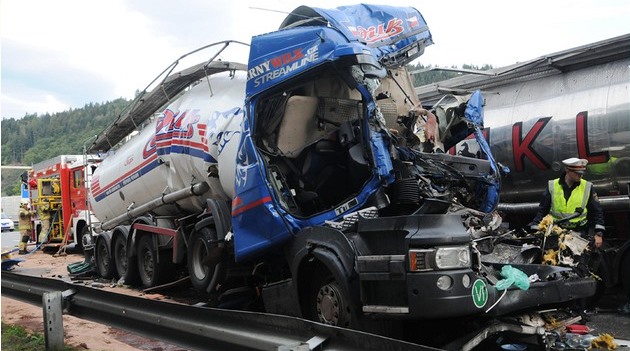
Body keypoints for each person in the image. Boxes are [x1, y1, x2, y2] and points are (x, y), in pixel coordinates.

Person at [529, 157, 605, 247]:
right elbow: (543, 209)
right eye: (577, 173)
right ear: (567, 170)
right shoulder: (553, 185)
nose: (581, 176)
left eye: (582, 173)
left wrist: (598, 234)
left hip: (579, 233)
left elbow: (597, 211)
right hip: (556, 232)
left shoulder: (587, 186)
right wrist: (535, 228)